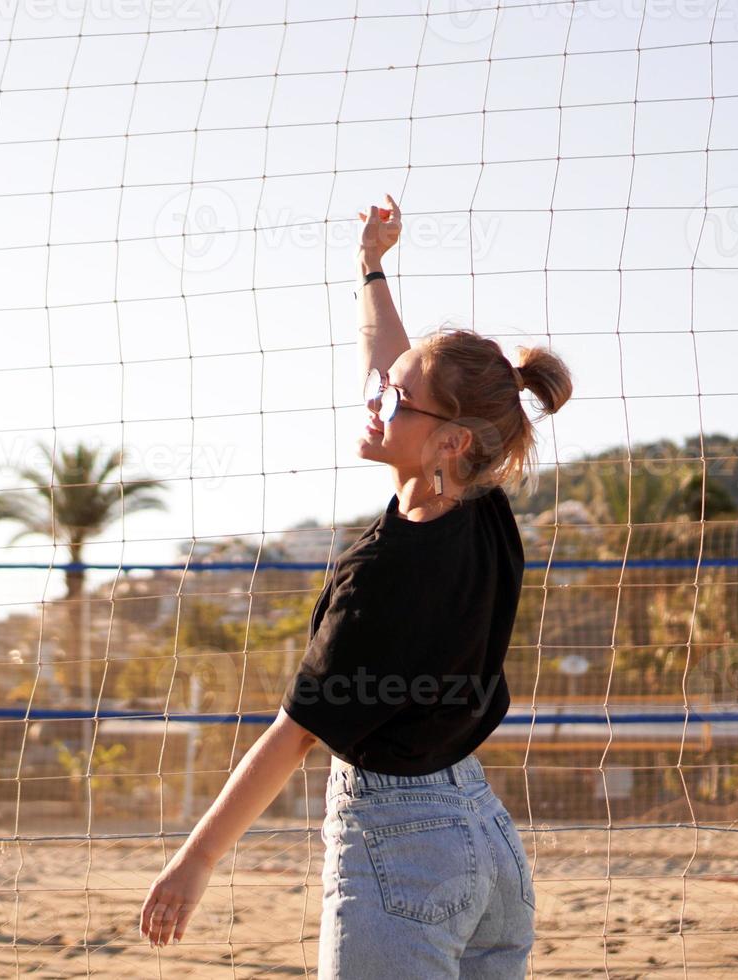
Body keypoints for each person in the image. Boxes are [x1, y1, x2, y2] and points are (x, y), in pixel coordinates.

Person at [139, 193, 573, 978]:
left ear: (448, 439)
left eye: (393, 401)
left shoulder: (385, 575)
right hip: (487, 843)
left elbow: (296, 733)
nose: (375, 399)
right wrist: (372, 269)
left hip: (403, 846)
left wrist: (195, 862)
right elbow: (400, 366)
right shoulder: (479, 499)